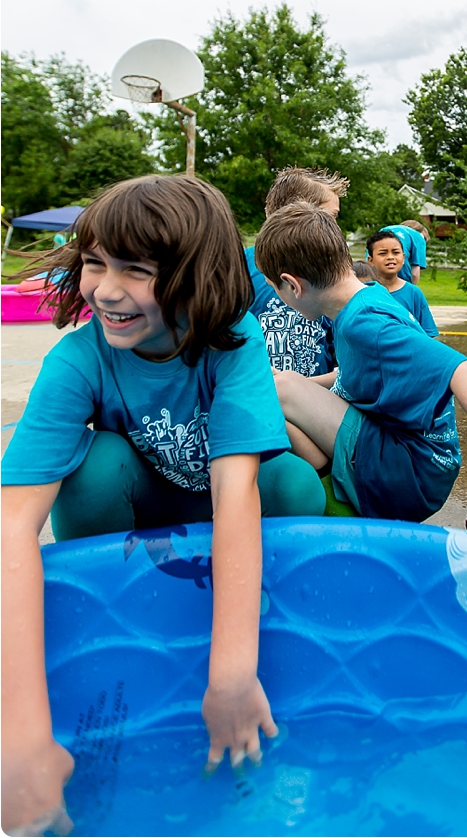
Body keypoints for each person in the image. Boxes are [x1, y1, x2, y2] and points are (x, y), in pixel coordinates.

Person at [1, 176, 326, 836]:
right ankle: (104, 604)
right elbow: (11, 524)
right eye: (95, 262)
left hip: (220, 505)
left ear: (192, 276)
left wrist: (233, 675)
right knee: (93, 467)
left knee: (293, 484)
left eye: (136, 270)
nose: (107, 289)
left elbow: (235, 495)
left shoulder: (231, 343)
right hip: (141, 513)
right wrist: (23, 738)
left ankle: (279, 608)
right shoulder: (79, 358)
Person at [255, 203, 467, 609]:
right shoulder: (364, 301)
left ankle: (339, 508)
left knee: (279, 389)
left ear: (291, 285)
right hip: (406, 456)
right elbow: (346, 379)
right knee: (287, 391)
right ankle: (334, 487)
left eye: (275, 292)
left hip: (412, 471)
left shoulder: (365, 324)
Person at [245, 166, 349, 383]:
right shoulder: (239, 266)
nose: (335, 228)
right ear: (300, 212)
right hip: (257, 396)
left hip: (318, 401)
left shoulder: (333, 270)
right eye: (331, 217)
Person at [366, 229, 439, 338]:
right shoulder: (364, 293)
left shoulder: (414, 293)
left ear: (403, 258)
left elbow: (429, 335)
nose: (390, 257)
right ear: (370, 260)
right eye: (383, 253)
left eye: (396, 252)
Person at [379, 219, 429, 284]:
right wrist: (412, 290)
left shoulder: (385, 230)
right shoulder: (419, 237)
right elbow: (415, 274)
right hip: (401, 278)